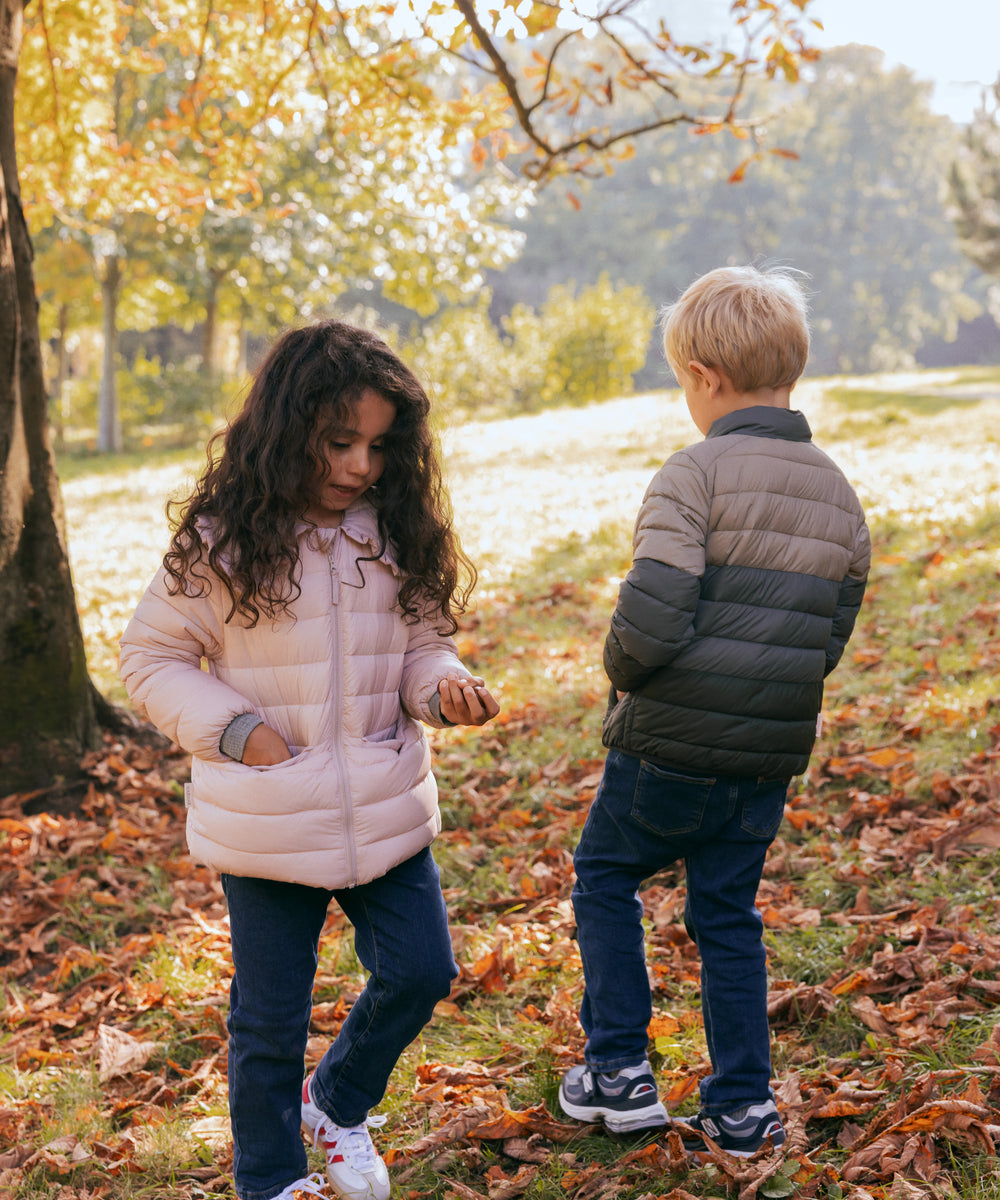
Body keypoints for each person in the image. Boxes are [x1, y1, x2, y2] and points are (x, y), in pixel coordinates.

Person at [119, 320, 500, 1200]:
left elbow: (423, 649)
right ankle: (271, 1181)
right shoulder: (219, 542)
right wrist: (235, 730)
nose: (361, 465)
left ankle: (335, 1101)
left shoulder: (391, 531)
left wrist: (443, 687)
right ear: (287, 429)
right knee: (268, 1021)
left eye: (377, 446)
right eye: (339, 442)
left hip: (385, 799)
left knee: (421, 971)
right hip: (267, 815)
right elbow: (152, 659)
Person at [557, 266, 870, 1157]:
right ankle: (742, 1105)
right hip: (763, 761)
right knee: (728, 916)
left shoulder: (691, 476)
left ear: (702, 375)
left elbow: (654, 611)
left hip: (665, 747)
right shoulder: (838, 492)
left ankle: (618, 1068)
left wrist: (619, 670)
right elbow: (829, 633)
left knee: (606, 877)